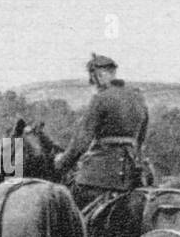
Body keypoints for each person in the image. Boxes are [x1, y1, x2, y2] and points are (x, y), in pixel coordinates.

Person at [55, 54, 150, 209]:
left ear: (98, 75)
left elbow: (81, 142)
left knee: (65, 209)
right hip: (133, 178)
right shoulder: (138, 98)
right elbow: (141, 140)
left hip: (99, 178)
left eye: (93, 79)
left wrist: (61, 164)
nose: (93, 83)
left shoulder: (101, 98)